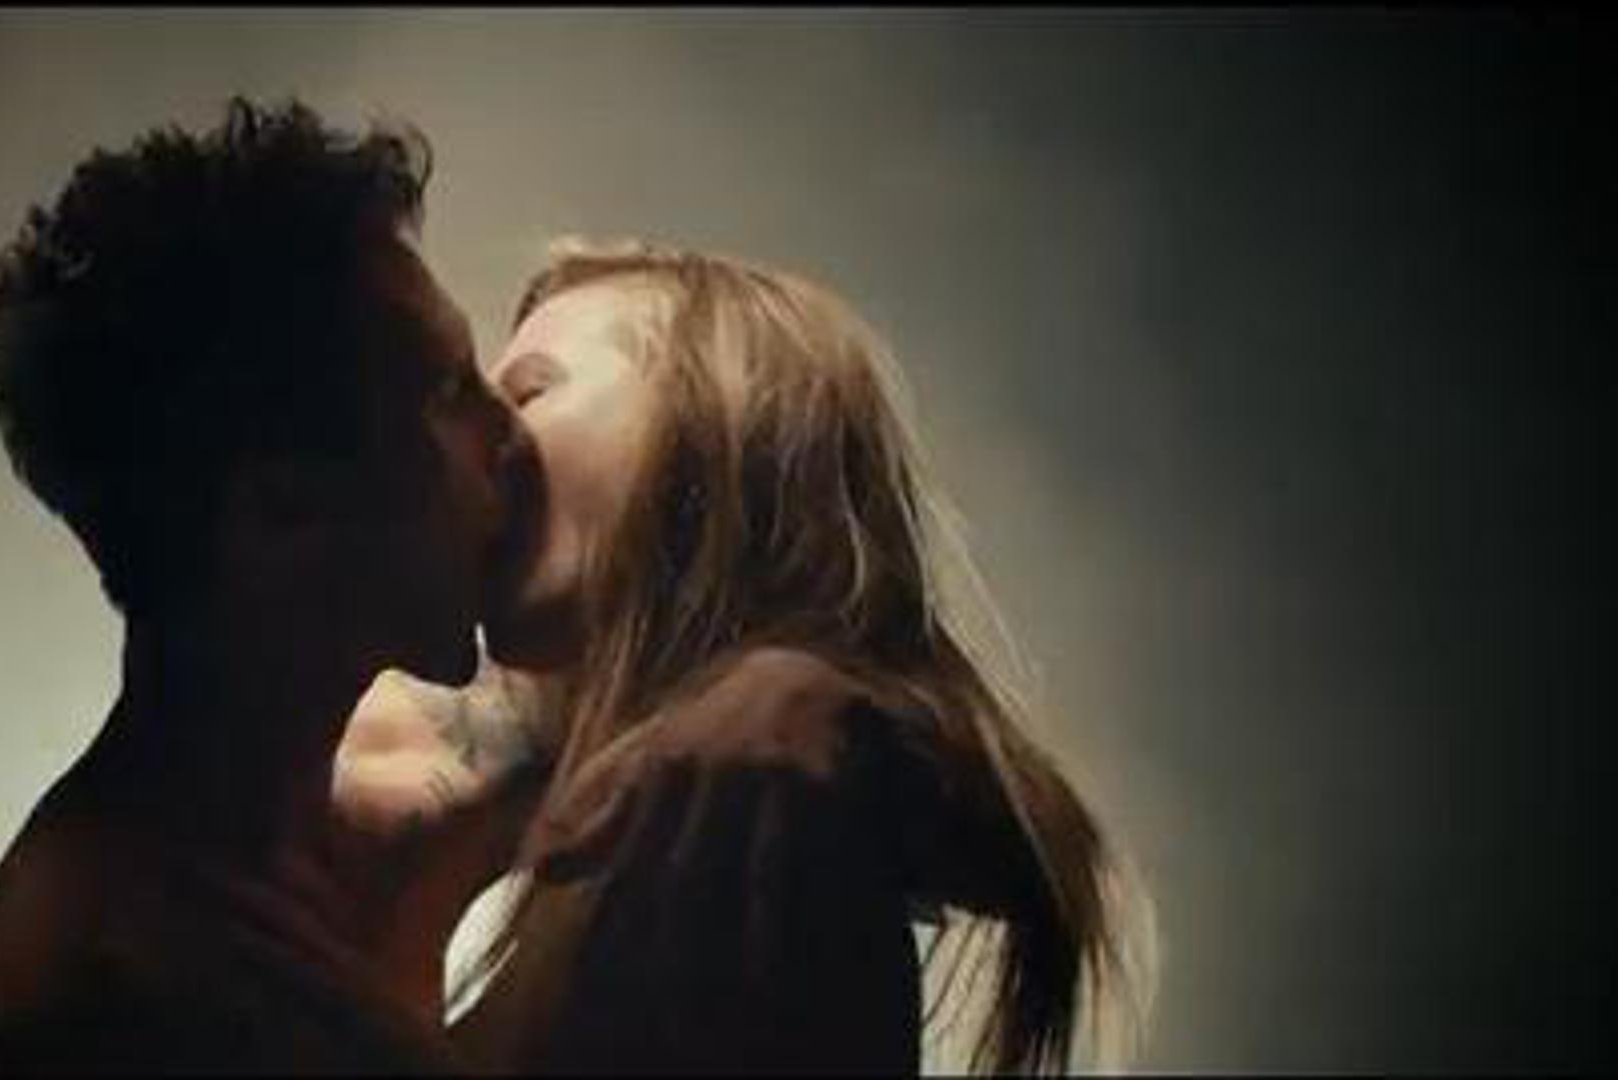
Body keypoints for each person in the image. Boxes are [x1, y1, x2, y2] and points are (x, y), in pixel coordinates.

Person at [340, 238, 1149, 1074]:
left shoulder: (752, 765)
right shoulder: (570, 794)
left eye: (529, 389)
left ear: (718, 427)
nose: (483, 437)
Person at [0, 97, 534, 1074]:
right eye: (445, 392)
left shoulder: (360, 781)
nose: (509, 432)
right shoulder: (123, 997)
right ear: (282, 512)